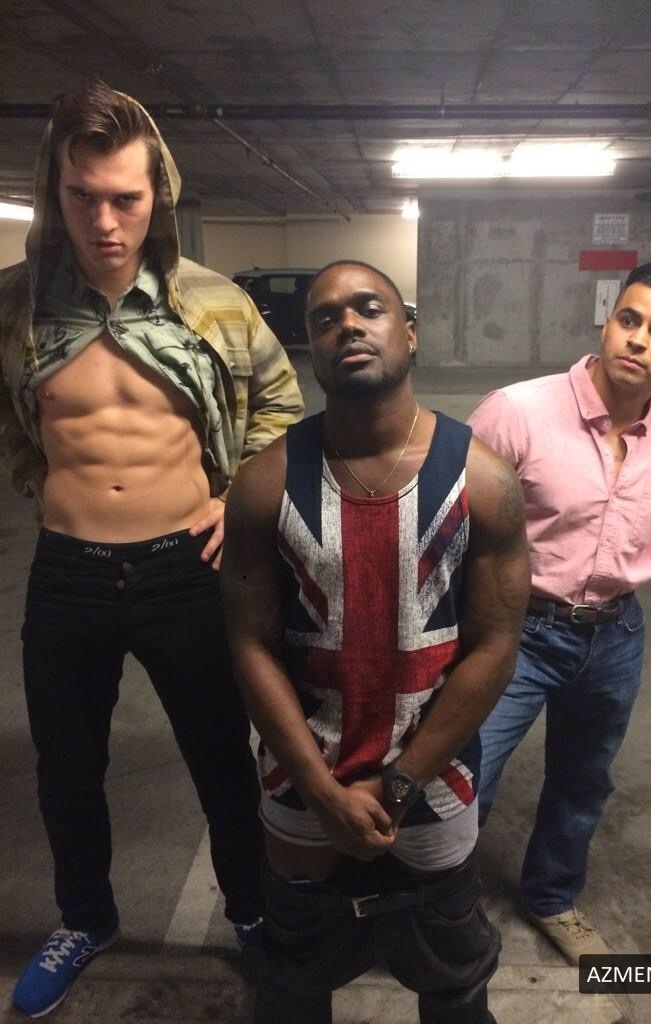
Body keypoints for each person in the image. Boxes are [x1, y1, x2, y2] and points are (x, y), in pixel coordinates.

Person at [0, 83, 304, 1018]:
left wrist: (233, 498)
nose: (104, 222)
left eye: (125, 199)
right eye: (83, 196)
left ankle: (250, 911)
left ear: (156, 197)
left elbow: (282, 406)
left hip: (188, 569)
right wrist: (40, 481)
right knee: (66, 770)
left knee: (221, 757)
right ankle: (85, 919)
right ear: (54, 191)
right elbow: (7, 424)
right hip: (68, 576)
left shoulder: (211, 301)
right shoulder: (14, 305)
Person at [220, 259, 531, 1024]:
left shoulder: (484, 479)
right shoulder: (264, 482)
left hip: (435, 780)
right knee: (295, 983)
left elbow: (496, 646)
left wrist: (400, 783)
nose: (349, 325)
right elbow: (251, 644)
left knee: (454, 984)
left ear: (410, 333)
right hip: (303, 781)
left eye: (369, 308)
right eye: (326, 318)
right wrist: (321, 791)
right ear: (310, 345)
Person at [467, 261, 651, 964]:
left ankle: (551, 896)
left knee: (584, 779)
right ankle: (433, 909)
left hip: (614, 636)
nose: (637, 339)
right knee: (465, 779)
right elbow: (451, 525)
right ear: (607, 322)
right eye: (629, 319)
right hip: (515, 630)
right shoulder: (517, 412)